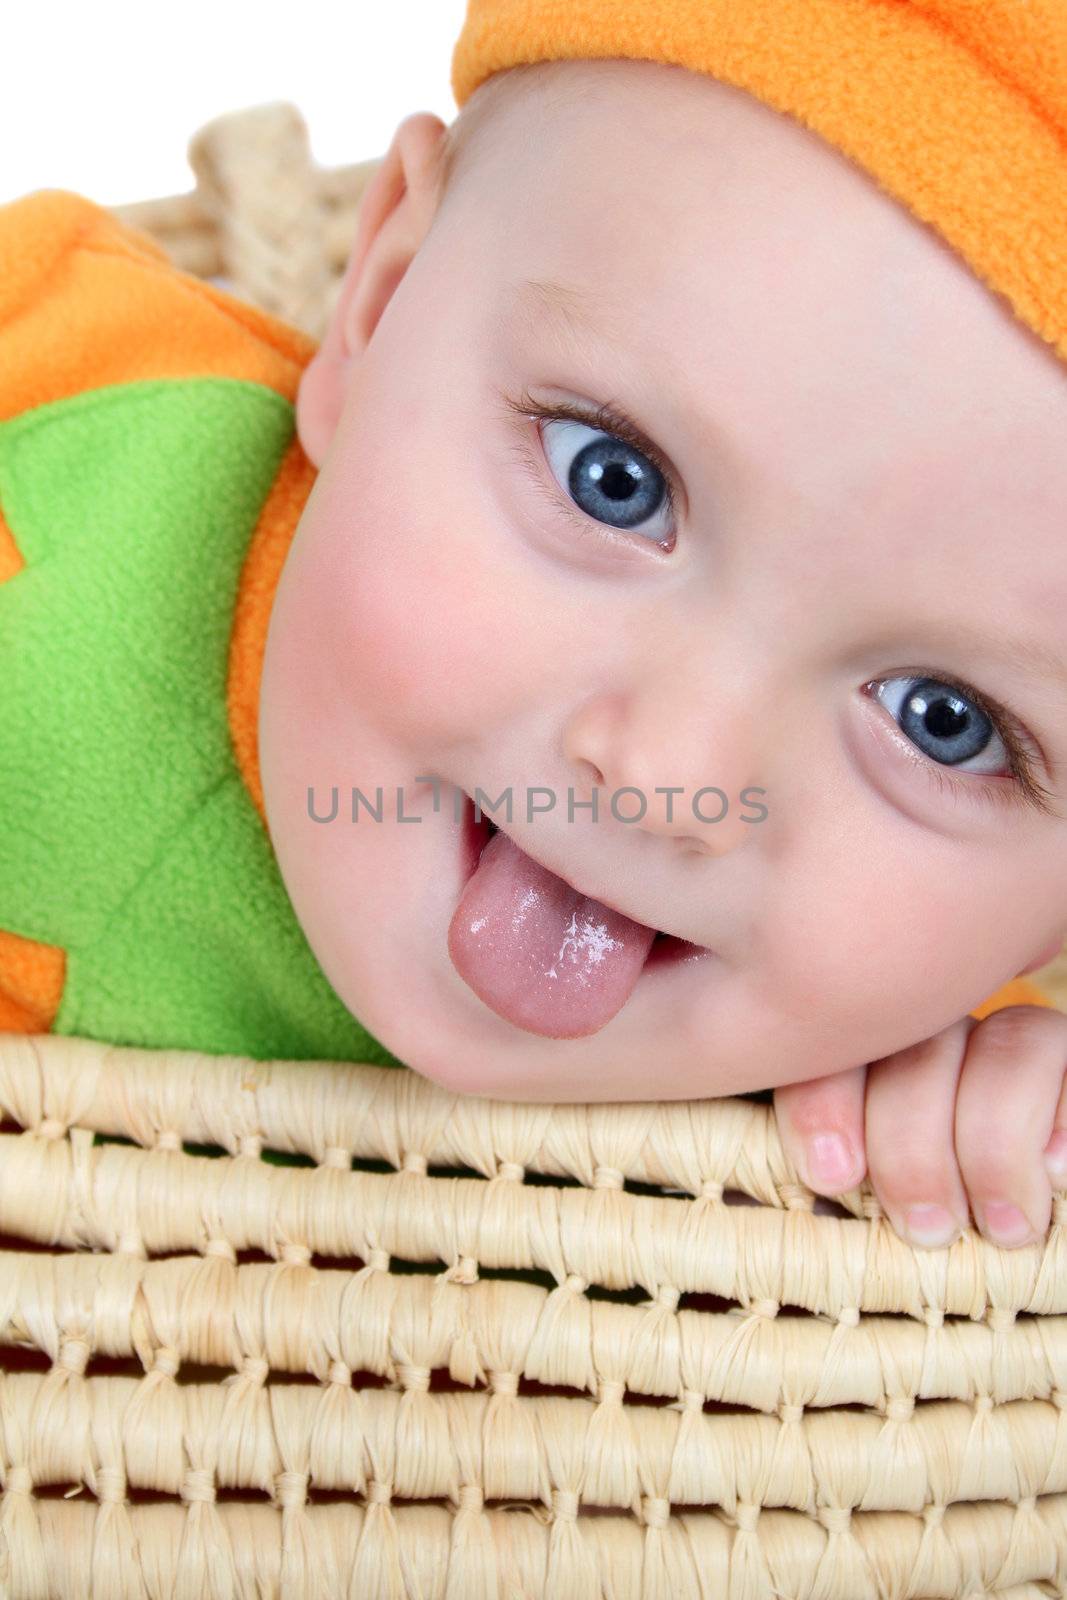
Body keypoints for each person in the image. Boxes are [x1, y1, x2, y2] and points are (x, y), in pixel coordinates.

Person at [2, 0, 1065, 1257]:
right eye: (611, 480)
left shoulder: (878, 1067)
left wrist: (992, 1120)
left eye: (939, 723)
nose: (670, 777)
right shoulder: (49, 470)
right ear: (381, 303)